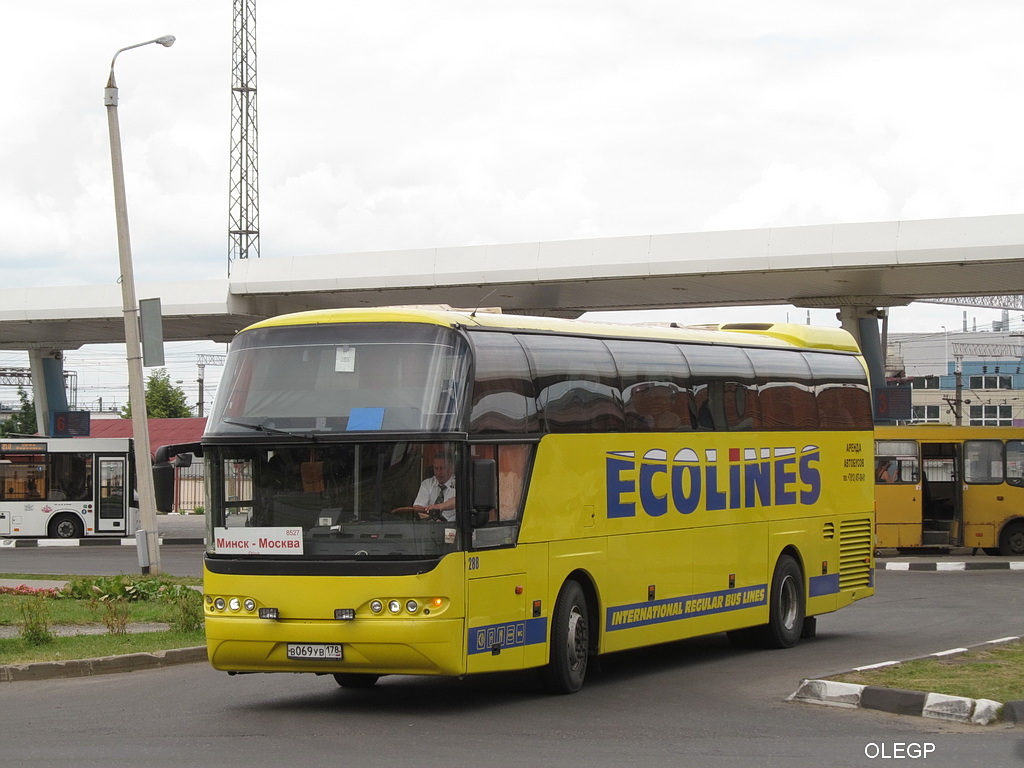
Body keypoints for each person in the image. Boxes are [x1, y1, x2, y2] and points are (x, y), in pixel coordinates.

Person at [412, 452, 456, 521]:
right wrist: (432, 520)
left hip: (452, 528)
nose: (438, 473)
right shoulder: (427, 483)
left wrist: (438, 507)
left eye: (442, 468)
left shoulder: (459, 483)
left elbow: (458, 501)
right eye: (436, 468)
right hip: (431, 526)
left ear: (451, 468)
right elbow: (418, 507)